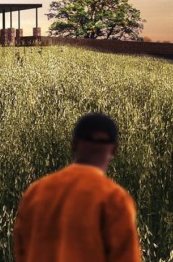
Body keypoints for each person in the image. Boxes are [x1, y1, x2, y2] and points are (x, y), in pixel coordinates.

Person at [13, 112, 141, 261]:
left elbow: (21, 249)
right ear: (114, 149)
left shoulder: (36, 191)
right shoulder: (114, 198)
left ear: (73, 144)